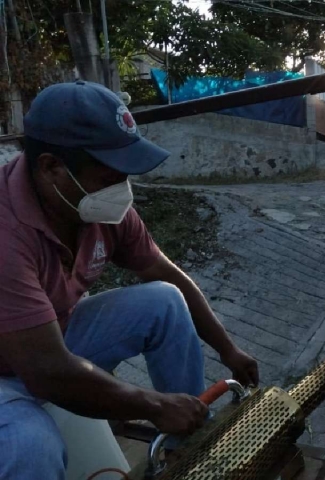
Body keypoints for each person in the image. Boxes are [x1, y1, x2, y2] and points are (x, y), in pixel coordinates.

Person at [0, 81, 259, 479]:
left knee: (165, 301)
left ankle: (185, 450)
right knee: (32, 446)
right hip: (17, 369)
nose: (123, 191)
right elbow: (45, 371)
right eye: (110, 176)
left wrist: (229, 350)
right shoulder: (6, 232)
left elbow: (165, 273)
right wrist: (152, 405)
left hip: (49, 340)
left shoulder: (96, 207)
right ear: (51, 166)